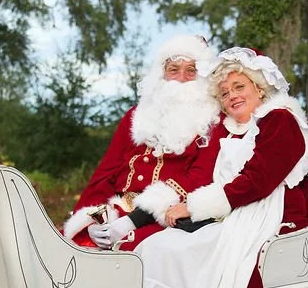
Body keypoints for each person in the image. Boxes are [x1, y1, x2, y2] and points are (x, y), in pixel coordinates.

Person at [131, 47, 308, 288]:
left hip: (268, 212)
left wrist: (195, 207)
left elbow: (258, 181)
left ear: (259, 87)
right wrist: (175, 203)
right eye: (224, 92)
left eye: (239, 87)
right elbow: (208, 176)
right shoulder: (230, 128)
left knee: (195, 253)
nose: (232, 96)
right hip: (233, 210)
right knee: (156, 247)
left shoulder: (281, 121)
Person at [63, 34, 222, 251]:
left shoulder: (212, 121)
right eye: (173, 70)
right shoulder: (136, 115)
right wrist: (92, 219)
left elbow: (199, 178)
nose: (181, 79)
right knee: (67, 248)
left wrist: (130, 222)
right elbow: (106, 173)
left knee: (129, 251)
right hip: (116, 209)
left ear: (202, 77)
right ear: (161, 75)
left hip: (163, 217)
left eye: (191, 71)